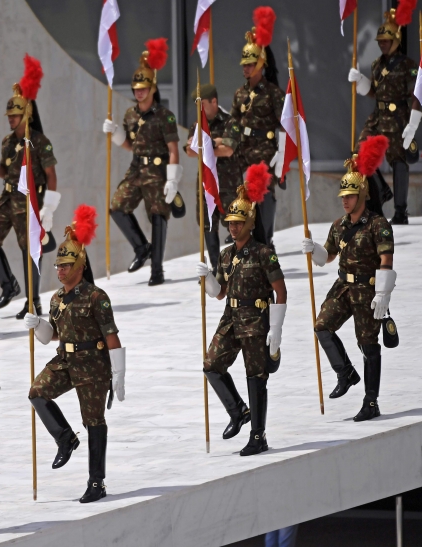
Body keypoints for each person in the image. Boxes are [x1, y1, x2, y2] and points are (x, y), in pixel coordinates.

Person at [24, 205, 125, 502]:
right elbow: (52, 335)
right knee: (37, 392)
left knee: (93, 421)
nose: (60, 270)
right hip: (66, 359)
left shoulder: (96, 297)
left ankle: (97, 482)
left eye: (66, 265)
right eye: (57, 266)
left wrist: (118, 373)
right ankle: (64, 438)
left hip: (92, 364)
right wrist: (38, 324)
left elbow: (111, 335)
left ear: (80, 266)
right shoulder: (56, 298)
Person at [302, 138, 396, 421]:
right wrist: (314, 249)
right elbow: (328, 256)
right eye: (342, 196)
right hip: (343, 286)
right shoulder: (338, 226)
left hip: (368, 289)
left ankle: (371, 401)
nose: (345, 200)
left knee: (368, 345)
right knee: (322, 326)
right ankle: (345, 373)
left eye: (350, 195)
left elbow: (386, 259)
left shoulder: (377, 225)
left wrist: (383, 293)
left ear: (362, 195)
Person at [196, 164, 287, 456]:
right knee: (211, 365)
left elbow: (281, 291)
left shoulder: (263, 253)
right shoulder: (225, 255)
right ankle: (238, 411)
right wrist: (207, 278)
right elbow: (220, 293)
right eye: (230, 223)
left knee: (255, 376)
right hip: (231, 317)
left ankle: (258, 436)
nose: (233, 227)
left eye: (238, 222)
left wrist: (276, 329)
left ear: (250, 223)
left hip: (256, 318)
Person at [0, 78, 60, 318]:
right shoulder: (7, 141)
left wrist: (48, 208)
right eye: (9, 115)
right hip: (8, 196)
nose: (10, 119)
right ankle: (8, 284)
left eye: (14, 115)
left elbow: (51, 174)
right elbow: (5, 171)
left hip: (30, 199)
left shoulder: (40, 142)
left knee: (30, 250)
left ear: (26, 114)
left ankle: (33, 303)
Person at [104, 38, 181, 286]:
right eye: (136, 88)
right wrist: (117, 134)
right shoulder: (130, 114)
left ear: (152, 88)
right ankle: (141, 248)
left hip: (157, 170)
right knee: (117, 207)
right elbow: (130, 144)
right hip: (137, 167)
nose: (138, 92)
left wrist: (172, 179)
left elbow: (173, 149)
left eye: (143, 88)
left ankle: (157, 271)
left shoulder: (164, 116)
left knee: (158, 215)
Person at [349, 5, 421, 225]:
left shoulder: (408, 65)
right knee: (360, 153)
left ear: (396, 41)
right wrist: (361, 82)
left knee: (399, 162)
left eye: (386, 41)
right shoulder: (376, 64)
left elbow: (417, 94)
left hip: (399, 118)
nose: (382, 44)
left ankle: (401, 210)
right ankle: (381, 191)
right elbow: (375, 93)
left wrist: (413, 123)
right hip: (378, 118)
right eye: (380, 41)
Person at [231, 7, 285, 246]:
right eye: (244, 64)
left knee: (263, 193)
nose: (246, 68)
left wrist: (282, 154)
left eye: (251, 64)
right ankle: (239, 229)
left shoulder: (273, 93)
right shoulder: (239, 93)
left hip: (266, 149)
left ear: (261, 64)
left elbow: (285, 124)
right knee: (233, 185)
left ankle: (266, 236)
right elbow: (233, 122)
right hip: (243, 148)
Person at [185, 83, 241, 268]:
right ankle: (218, 269)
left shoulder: (229, 122)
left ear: (214, 101)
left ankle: (241, 265)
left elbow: (228, 150)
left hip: (228, 184)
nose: (199, 108)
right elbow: (190, 150)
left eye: (202, 104)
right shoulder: (197, 125)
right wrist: (214, 143)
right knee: (208, 226)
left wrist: (207, 145)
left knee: (236, 225)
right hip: (206, 185)